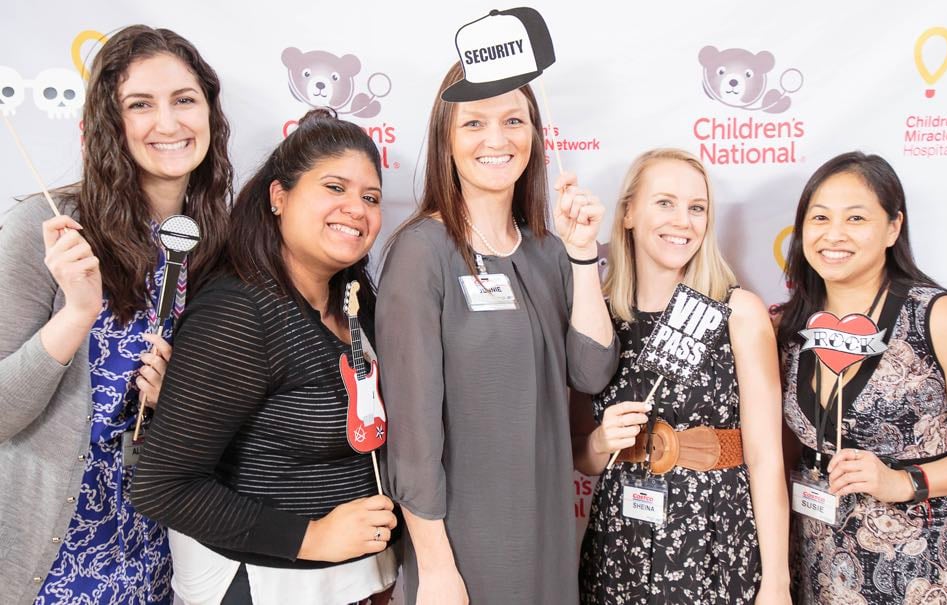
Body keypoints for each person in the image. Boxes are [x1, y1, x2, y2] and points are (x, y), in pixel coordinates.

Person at [0, 25, 231, 605]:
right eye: (141, 105)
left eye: (184, 100)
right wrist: (77, 313)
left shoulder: (222, 247)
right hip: (44, 567)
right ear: (110, 122)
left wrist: (180, 401)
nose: (169, 123)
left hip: (160, 563)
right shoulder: (47, 229)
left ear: (209, 111)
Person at [131, 108, 398, 605]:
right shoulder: (239, 311)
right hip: (263, 585)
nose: (357, 209)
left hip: (356, 581)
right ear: (279, 196)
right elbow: (162, 486)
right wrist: (311, 537)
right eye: (335, 188)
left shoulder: (357, 300)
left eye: (371, 197)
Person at [375, 63, 619, 604]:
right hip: (464, 541)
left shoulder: (549, 251)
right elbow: (412, 437)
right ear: (447, 139)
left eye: (513, 120)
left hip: (549, 532)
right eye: (474, 123)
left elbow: (592, 369)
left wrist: (581, 252)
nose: (496, 138)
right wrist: (437, 569)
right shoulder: (421, 253)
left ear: (534, 132)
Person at [572, 149, 791, 604]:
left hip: (714, 537)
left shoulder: (737, 312)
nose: (683, 221)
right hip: (621, 541)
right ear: (628, 212)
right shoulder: (599, 316)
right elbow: (582, 456)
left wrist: (776, 582)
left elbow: (766, 458)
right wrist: (600, 442)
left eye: (697, 208)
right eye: (665, 203)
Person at [775, 151, 947, 603]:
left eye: (856, 217)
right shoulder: (788, 327)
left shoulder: (935, 316)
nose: (834, 234)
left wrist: (904, 482)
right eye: (819, 217)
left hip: (921, 572)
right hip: (818, 565)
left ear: (893, 228)